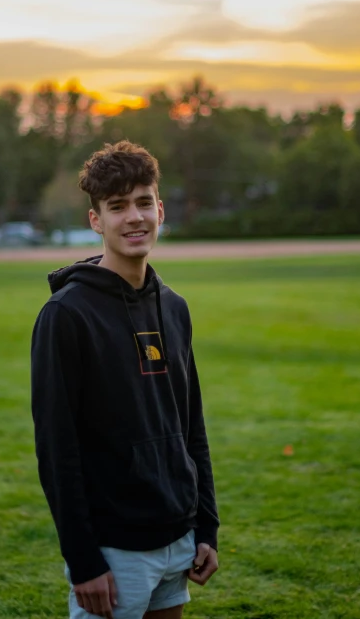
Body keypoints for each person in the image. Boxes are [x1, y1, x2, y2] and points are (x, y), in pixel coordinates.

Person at [31, 141, 219, 619]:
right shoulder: (66, 315)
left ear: (159, 208)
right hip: (114, 552)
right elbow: (58, 448)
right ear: (96, 220)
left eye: (142, 203)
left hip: (178, 538)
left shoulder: (175, 307)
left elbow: (191, 426)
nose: (133, 217)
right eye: (117, 207)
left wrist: (206, 527)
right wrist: (83, 560)